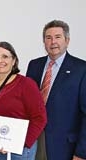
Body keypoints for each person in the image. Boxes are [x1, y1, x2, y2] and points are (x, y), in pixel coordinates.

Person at [0, 41, 47, 160]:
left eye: (5, 56)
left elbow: (39, 118)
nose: (0, 61)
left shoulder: (27, 84)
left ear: (14, 60)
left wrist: (21, 143)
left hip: (17, 152)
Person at [26, 20, 86, 160]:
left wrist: (82, 153)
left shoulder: (82, 69)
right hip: (33, 142)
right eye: (48, 37)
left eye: (58, 37)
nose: (53, 42)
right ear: (44, 42)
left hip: (65, 147)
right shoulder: (34, 65)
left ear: (67, 40)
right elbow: (25, 104)